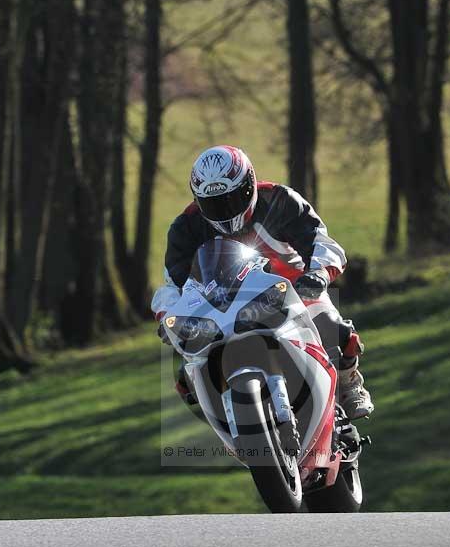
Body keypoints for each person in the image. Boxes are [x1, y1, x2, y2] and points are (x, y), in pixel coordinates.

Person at [152, 145, 373, 420]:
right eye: (213, 204)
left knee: (331, 326)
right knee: (188, 375)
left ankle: (349, 382)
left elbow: (321, 241)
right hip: (223, 305)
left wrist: (318, 273)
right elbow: (172, 285)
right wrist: (169, 316)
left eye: (232, 199)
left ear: (249, 185)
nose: (224, 211)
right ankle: (229, 421)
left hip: (292, 289)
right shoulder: (186, 227)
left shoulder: (280, 200)